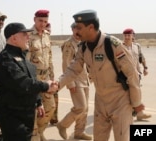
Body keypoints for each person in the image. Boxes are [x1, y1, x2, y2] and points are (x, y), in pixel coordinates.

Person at [57, 9, 144, 141]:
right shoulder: (83, 47)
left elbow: (132, 75)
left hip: (120, 102)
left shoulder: (112, 44)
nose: (77, 31)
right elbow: (73, 70)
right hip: (100, 102)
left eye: (79, 28)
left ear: (91, 27)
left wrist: (136, 102)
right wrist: (57, 84)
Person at [0, 22, 58, 141]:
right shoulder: (5, 59)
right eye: (24, 35)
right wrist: (45, 86)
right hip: (11, 114)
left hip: (25, 112)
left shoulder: (22, 56)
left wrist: (38, 102)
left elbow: (31, 79)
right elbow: (22, 83)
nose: (28, 37)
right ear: (14, 38)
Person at [56, 22, 92, 140]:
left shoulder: (84, 43)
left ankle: (79, 132)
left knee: (85, 109)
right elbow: (66, 64)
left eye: (80, 29)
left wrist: (90, 76)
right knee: (80, 107)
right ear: (72, 30)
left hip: (84, 79)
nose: (78, 32)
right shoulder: (69, 44)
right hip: (75, 80)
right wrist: (69, 83)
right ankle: (62, 125)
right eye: (75, 29)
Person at [27, 9, 56, 141]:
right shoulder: (28, 36)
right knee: (34, 108)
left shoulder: (46, 35)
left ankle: (40, 131)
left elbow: (49, 57)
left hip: (46, 78)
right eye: (40, 21)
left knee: (50, 107)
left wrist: (52, 76)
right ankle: (34, 136)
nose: (43, 24)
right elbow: (26, 61)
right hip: (34, 78)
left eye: (45, 21)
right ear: (34, 19)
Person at [122, 28, 151, 121]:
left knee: (136, 94)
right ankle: (137, 113)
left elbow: (141, 58)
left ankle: (138, 113)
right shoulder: (120, 47)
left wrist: (145, 68)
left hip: (136, 75)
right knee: (126, 95)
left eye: (129, 35)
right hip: (124, 76)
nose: (127, 37)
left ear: (133, 36)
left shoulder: (137, 46)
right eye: (125, 35)